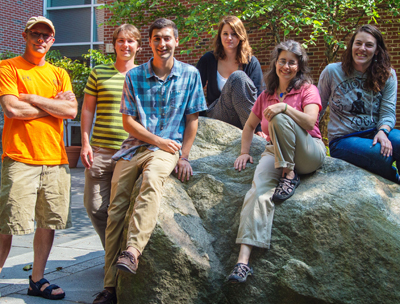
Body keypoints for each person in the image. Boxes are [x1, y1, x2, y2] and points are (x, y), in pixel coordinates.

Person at [92, 18, 207, 304]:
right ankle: (110, 287)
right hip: (134, 148)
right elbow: (128, 122)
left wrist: (185, 156)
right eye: (157, 38)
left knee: (152, 181)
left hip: (167, 150)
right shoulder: (135, 76)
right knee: (115, 208)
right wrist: (155, 139)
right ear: (151, 42)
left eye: (167, 38)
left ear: (176, 41)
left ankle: (133, 251)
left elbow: (192, 121)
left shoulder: (190, 74)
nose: (162, 44)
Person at [227, 40, 326, 283]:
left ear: (299, 66)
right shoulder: (266, 95)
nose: (286, 66)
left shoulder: (307, 90)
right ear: (276, 63)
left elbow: (311, 122)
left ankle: (289, 176)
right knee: (257, 191)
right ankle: (243, 262)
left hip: (307, 151)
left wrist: (284, 108)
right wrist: (244, 151)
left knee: (279, 119)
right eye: (282, 60)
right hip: (275, 152)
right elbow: (249, 126)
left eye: (292, 62)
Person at [0, 16, 77, 299]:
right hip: (20, 158)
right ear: (25, 35)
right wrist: (54, 106)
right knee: (6, 224)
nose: (40, 39)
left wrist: (31, 98)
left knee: (48, 222)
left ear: (52, 41)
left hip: (55, 159)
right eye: (36, 33)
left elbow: (71, 112)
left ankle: (37, 280)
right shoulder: (7, 68)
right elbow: (13, 111)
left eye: (46, 35)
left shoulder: (59, 73)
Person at [81, 24, 142, 249]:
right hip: (100, 151)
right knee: (95, 206)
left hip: (130, 152)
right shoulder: (99, 72)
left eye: (130, 41)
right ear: (114, 44)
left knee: (122, 209)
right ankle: (113, 254)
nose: (125, 45)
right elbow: (87, 110)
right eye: (121, 41)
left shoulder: (143, 74)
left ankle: (118, 260)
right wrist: (85, 143)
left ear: (138, 46)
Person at [318, 24, 400, 183]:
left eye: (369, 45)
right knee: (381, 155)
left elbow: (388, 112)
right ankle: (395, 183)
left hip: (375, 131)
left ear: (376, 50)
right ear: (351, 46)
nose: (362, 48)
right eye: (358, 43)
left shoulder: (388, 75)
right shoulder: (332, 71)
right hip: (343, 139)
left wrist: (382, 131)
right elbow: (317, 107)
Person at [196, 16, 264, 134]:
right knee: (237, 77)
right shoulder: (208, 59)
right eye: (225, 34)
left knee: (239, 78)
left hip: (246, 118)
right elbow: (195, 91)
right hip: (219, 115)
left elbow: (260, 95)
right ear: (220, 36)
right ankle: (250, 134)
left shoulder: (251, 62)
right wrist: (201, 118)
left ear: (241, 36)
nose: (229, 38)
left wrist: (259, 128)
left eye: (234, 34)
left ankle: (251, 133)